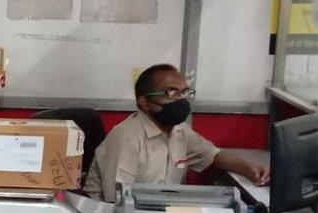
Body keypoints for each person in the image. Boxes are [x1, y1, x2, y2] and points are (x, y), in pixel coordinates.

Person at [84, 64, 270, 203]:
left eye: (184, 92)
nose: (180, 100)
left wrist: (249, 170)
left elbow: (213, 156)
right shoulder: (126, 137)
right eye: (171, 93)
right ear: (145, 102)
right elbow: (116, 200)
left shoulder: (180, 132)